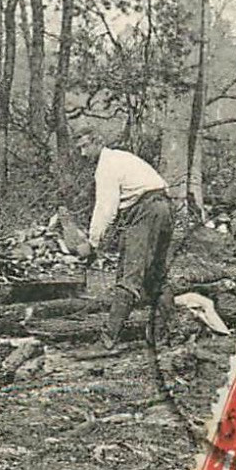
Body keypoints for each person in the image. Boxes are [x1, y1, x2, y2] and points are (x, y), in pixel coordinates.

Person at [72, 126, 173, 353]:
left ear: (97, 142)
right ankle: (162, 337)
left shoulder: (107, 166)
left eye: (84, 147)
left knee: (129, 277)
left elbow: (106, 208)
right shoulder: (122, 157)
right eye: (79, 149)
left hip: (147, 211)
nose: (82, 154)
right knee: (157, 275)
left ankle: (107, 341)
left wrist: (93, 242)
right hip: (164, 208)